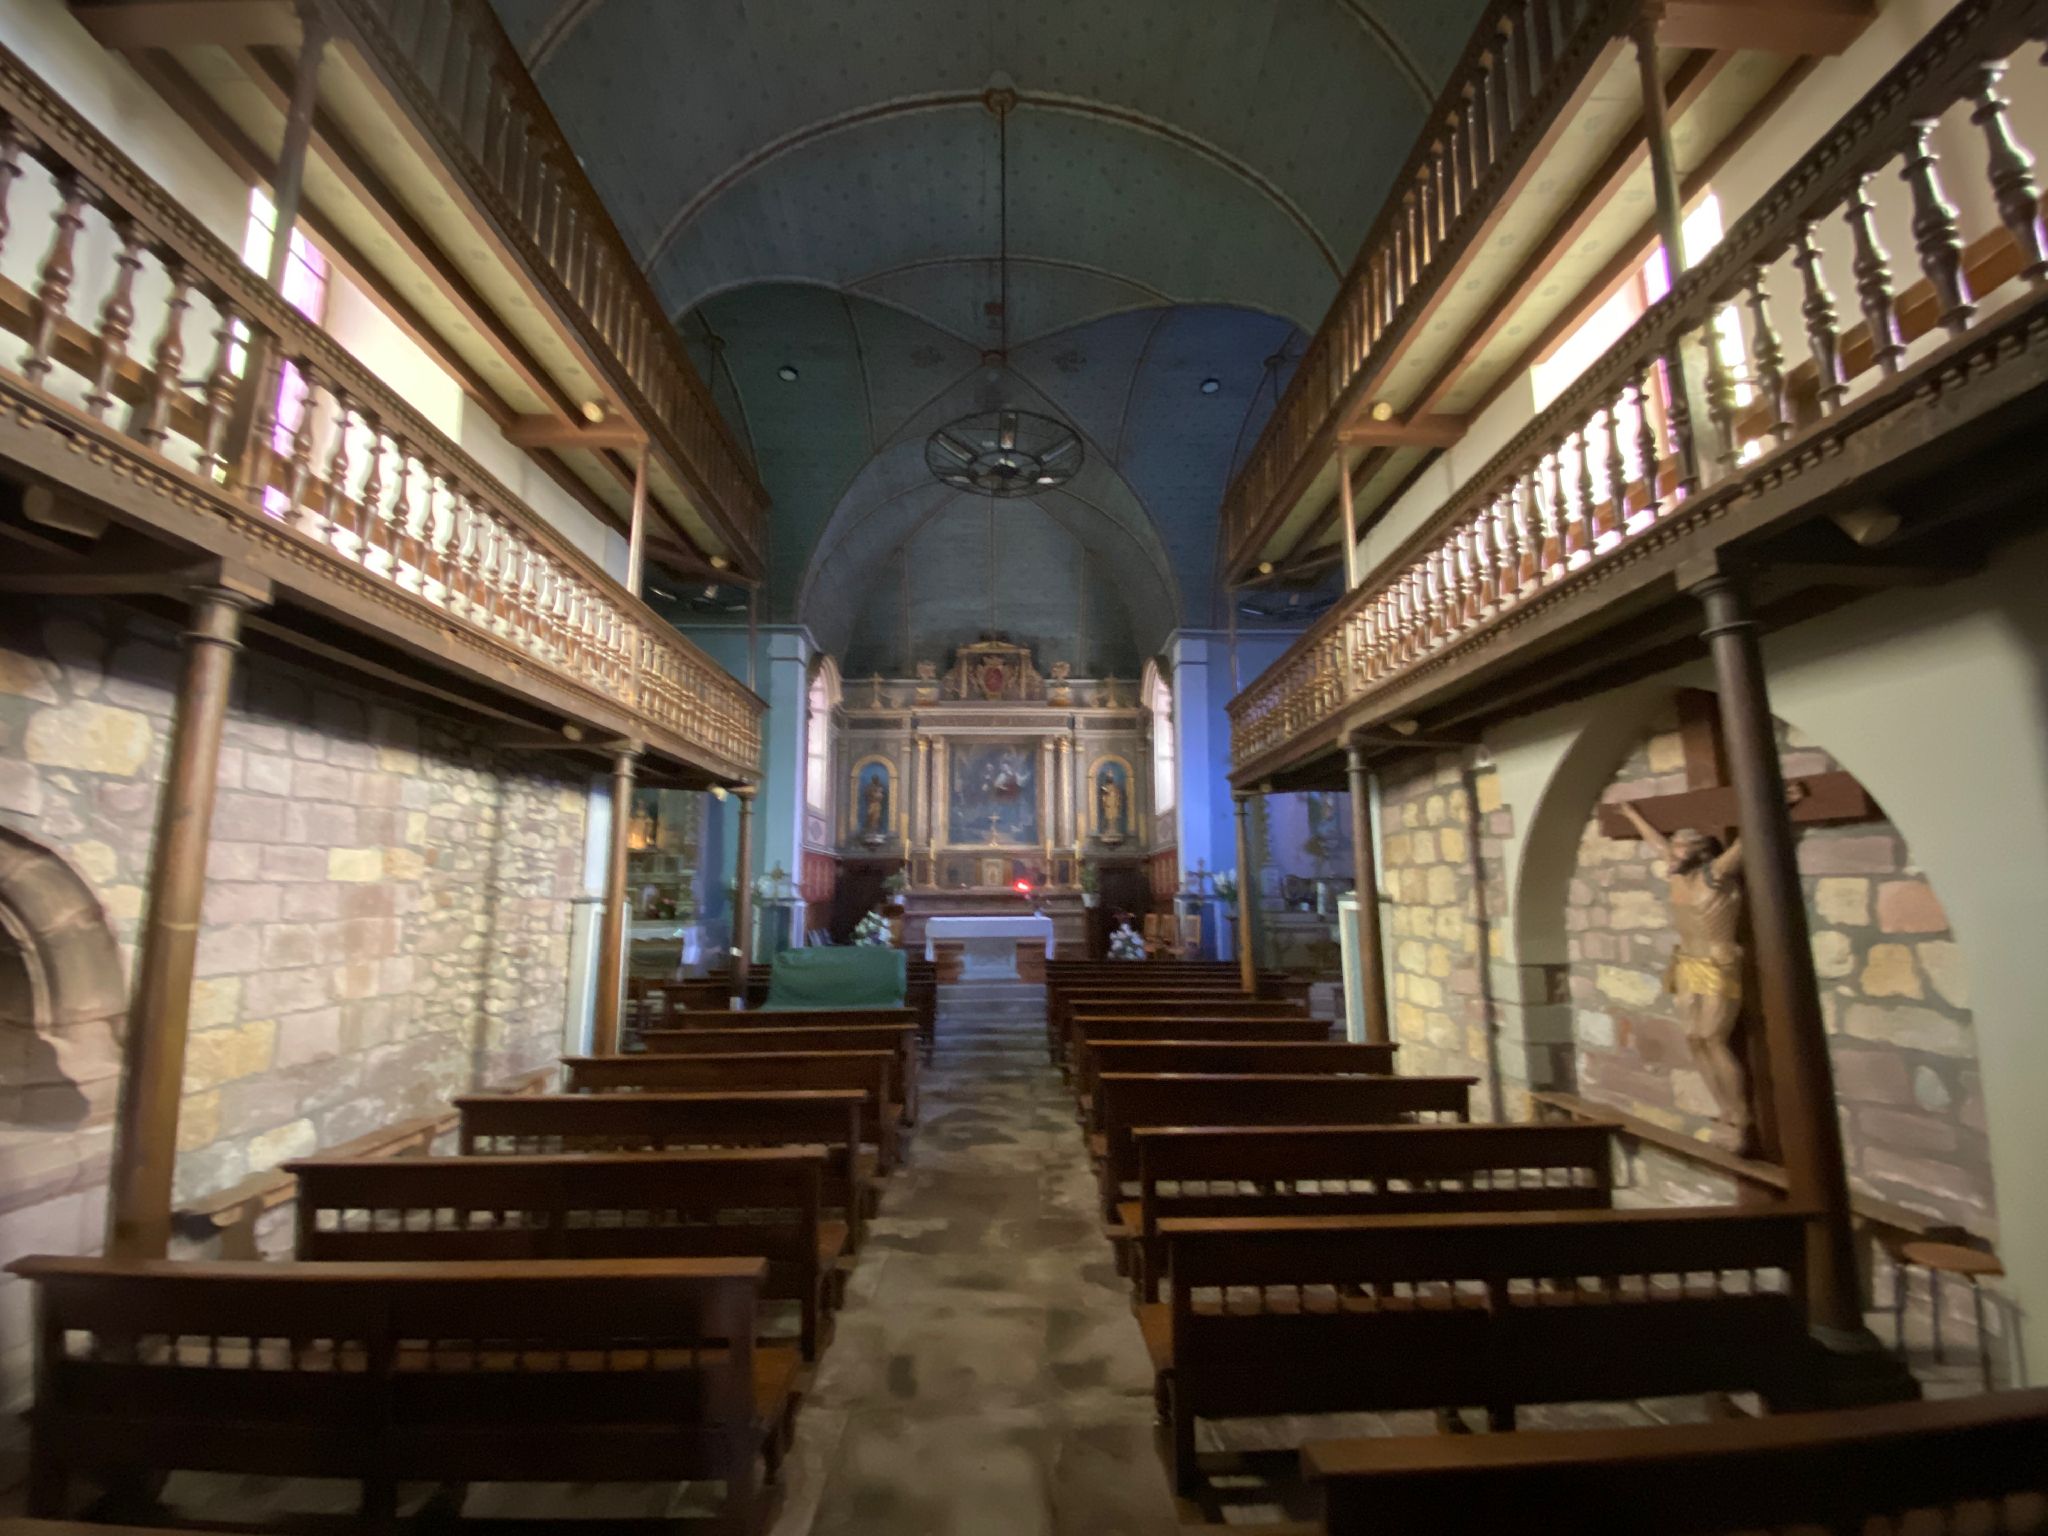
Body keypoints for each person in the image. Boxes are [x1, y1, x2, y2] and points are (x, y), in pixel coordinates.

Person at [1618, 798, 1753, 1152]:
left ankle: (1740, 1116)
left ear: (1700, 852)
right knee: (1694, 1039)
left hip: (1718, 962)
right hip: (1687, 963)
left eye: (1681, 848)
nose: (1672, 853)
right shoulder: (1678, 872)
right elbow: (1656, 843)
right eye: (1674, 846)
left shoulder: (1716, 874)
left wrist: (1778, 802)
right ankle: (1723, 1111)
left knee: (1713, 1037)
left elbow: (1747, 841)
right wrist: (1632, 815)